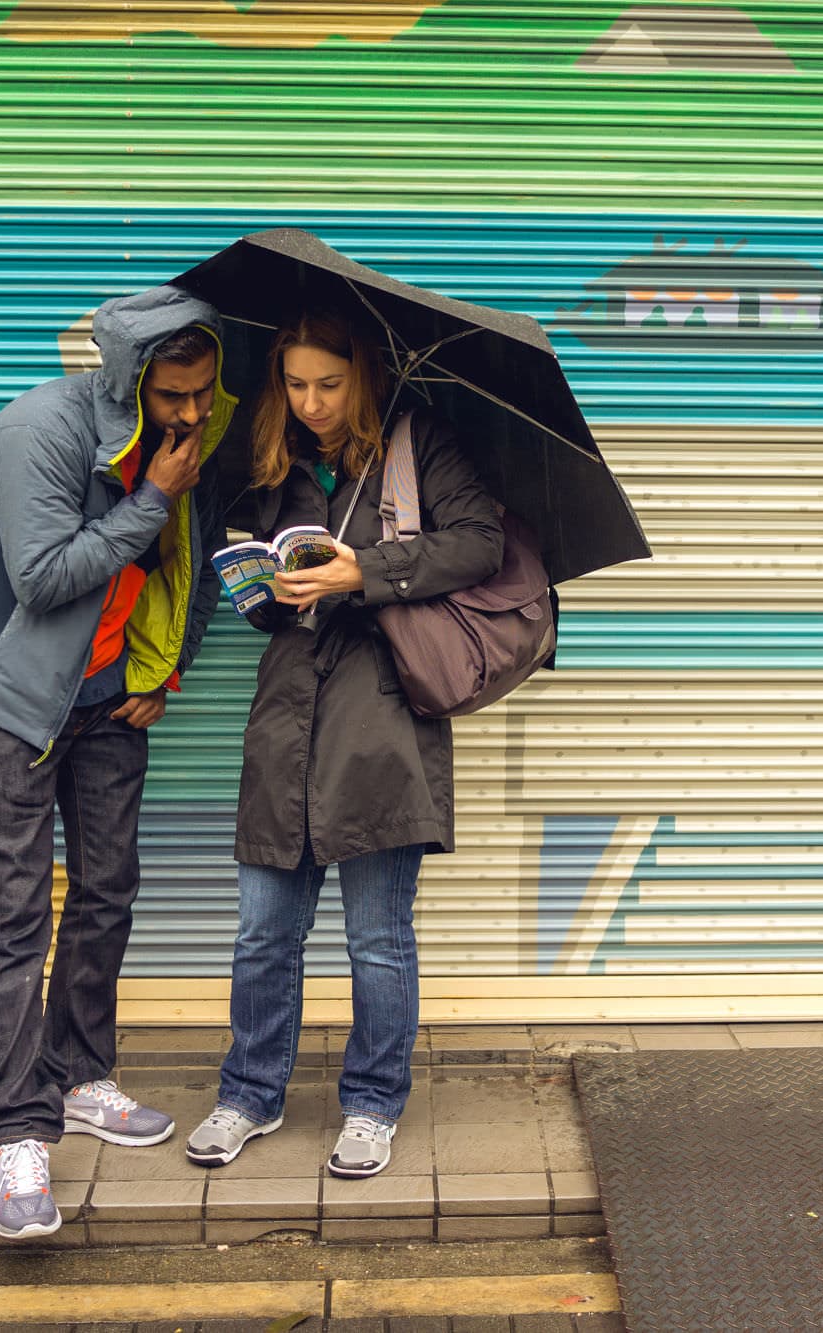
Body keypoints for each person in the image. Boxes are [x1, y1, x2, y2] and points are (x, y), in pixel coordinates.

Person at [0, 285, 234, 1239]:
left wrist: (166, 667)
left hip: (108, 702)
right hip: (9, 701)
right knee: (18, 913)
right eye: (172, 393)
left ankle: (82, 1073)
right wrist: (152, 499)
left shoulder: (187, 445)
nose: (189, 412)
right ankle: (19, 1133)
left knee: (108, 892)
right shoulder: (38, 432)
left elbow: (194, 563)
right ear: (129, 376)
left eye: (204, 391)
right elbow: (42, 576)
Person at [182, 312, 502, 1177]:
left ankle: (370, 1104)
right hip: (286, 712)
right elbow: (243, 556)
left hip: (383, 716)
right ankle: (249, 1093)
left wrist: (367, 570)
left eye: (329, 384)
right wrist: (261, 582)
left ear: (361, 377)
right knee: (261, 933)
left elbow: (481, 541)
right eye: (294, 384)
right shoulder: (269, 460)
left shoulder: (418, 442)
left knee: (376, 936)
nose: (311, 402)